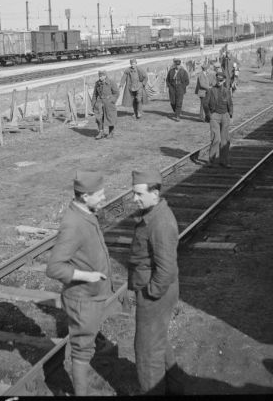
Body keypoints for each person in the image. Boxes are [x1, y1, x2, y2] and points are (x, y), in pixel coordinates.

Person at [46, 171, 113, 396]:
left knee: (86, 345)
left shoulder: (86, 211)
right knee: (82, 351)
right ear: (85, 196)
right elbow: (54, 267)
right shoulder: (73, 224)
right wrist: (88, 276)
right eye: (100, 195)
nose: (104, 198)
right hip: (83, 299)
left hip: (91, 296)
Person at [128, 169, 181, 395]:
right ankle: (178, 389)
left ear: (155, 193)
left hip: (155, 294)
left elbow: (166, 268)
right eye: (133, 193)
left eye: (139, 194)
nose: (134, 199)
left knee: (147, 353)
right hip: (157, 291)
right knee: (159, 343)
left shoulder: (160, 222)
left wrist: (151, 293)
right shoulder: (153, 214)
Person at [203, 72, 233, 168]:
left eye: (221, 80)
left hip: (225, 116)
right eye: (217, 80)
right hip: (214, 116)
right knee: (216, 138)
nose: (219, 82)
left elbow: (230, 103)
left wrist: (230, 114)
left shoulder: (227, 91)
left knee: (225, 140)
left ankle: (224, 161)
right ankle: (211, 161)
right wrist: (209, 115)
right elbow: (205, 104)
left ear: (224, 81)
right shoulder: (211, 90)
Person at [91, 70, 119, 139]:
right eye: (99, 76)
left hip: (109, 103)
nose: (100, 77)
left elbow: (116, 93)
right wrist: (93, 104)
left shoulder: (111, 82)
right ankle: (101, 132)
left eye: (101, 76)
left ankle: (111, 132)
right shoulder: (97, 83)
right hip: (99, 102)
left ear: (105, 75)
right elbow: (95, 94)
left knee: (110, 117)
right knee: (99, 118)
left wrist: (112, 101)